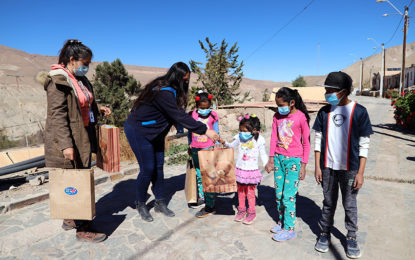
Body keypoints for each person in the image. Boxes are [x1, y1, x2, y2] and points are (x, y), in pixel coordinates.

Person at [124, 62, 219, 222]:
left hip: (156, 131)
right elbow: (179, 116)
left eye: (188, 79)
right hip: (139, 130)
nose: (186, 82)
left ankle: (160, 201)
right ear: (177, 77)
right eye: (185, 79)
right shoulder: (163, 91)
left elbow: (176, 113)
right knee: (147, 168)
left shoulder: (170, 90)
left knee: (159, 166)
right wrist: (205, 130)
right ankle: (140, 203)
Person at [42, 39, 111, 243]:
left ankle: (70, 218)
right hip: (70, 140)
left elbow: (82, 103)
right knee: (78, 184)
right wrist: (66, 145)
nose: (87, 67)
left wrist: (98, 109)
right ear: (72, 60)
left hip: (83, 137)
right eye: (85, 63)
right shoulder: (58, 80)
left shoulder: (78, 79)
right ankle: (84, 229)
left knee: (76, 180)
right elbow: (57, 115)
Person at [313, 72, 373, 259]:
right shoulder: (324, 112)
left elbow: (364, 144)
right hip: (328, 168)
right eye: (326, 90)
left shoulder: (360, 112)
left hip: (350, 169)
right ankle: (324, 233)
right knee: (328, 203)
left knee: (349, 204)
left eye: (331, 91)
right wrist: (317, 166)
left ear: (344, 92)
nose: (327, 94)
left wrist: (360, 172)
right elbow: (317, 140)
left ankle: (352, 236)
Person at [265, 87, 310, 242]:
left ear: (292, 102)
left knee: (288, 196)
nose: (279, 108)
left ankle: (289, 229)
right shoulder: (276, 117)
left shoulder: (301, 117)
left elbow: (306, 142)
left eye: (281, 105)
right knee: (278, 195)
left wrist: (303, 164)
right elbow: (273, 138)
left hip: (294, 161)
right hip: (278, 158)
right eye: (277, 105)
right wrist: (271, 158)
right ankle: (283, 222)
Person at [221, 114, 268, 224]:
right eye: (240, 130)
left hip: (251, 171)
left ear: (254, 130)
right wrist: (224, 143)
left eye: (245, 130)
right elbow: (231, 146)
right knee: (240, 192)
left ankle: (251, 212)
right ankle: (241, 210)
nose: (242, 133)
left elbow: (263, 154)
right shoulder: (239, 137)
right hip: (240, 170)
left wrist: (266, 164)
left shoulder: (260, 140)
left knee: (250, 193)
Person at [187, 91, 220, 209]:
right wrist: (189, 144)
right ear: (197, 105)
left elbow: (216, 131)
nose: (204, 110)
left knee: (209, 174)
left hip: (208, 147)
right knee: (199, 173)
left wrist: (217, 143)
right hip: (195, 148)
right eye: (202, 107)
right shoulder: (192, 115)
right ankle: (202, 197)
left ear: (210, 104)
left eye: (207, 107)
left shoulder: (214, 115)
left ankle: (210, 201)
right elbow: (189, 131)